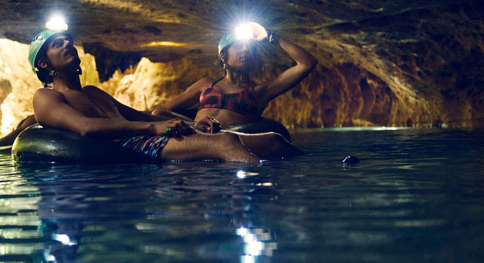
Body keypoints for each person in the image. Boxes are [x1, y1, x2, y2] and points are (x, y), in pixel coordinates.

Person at [28, 29, 297, 163]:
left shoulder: (92, 93)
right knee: (224, 142)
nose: (66, 44)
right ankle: (264, 192)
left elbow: (140, 115)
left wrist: (193, 126)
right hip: (131, 146)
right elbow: (85, 127)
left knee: (273, 140)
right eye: (56, 44)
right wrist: (154, 127)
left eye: (67, 40)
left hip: (145, 135)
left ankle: (330, 169)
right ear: (43, 64)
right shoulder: (45, 97)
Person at [153, 22, 316, 134]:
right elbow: (162, 111)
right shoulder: (205, 85)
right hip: (193, 135)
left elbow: (307, 63)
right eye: (239, 46)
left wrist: (272, 37)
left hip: (226, 143)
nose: (245, 50)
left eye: (249, 48)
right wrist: (192, 126)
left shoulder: (260, 92)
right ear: (223, 56)